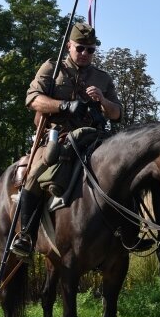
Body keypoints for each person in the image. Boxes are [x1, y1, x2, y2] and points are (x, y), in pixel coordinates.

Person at [10, 23, 122, 261]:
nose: (85, 54)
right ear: (69, 45)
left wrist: (102, 99)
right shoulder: (52, 69)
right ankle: (26, 236)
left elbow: (116, 114)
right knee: (38, 169)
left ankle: (124, 235)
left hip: (94, 139)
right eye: (80, 48)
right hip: (57, 137)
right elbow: (32, 99)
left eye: (90, 50)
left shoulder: (102, 78)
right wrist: (64, 105)